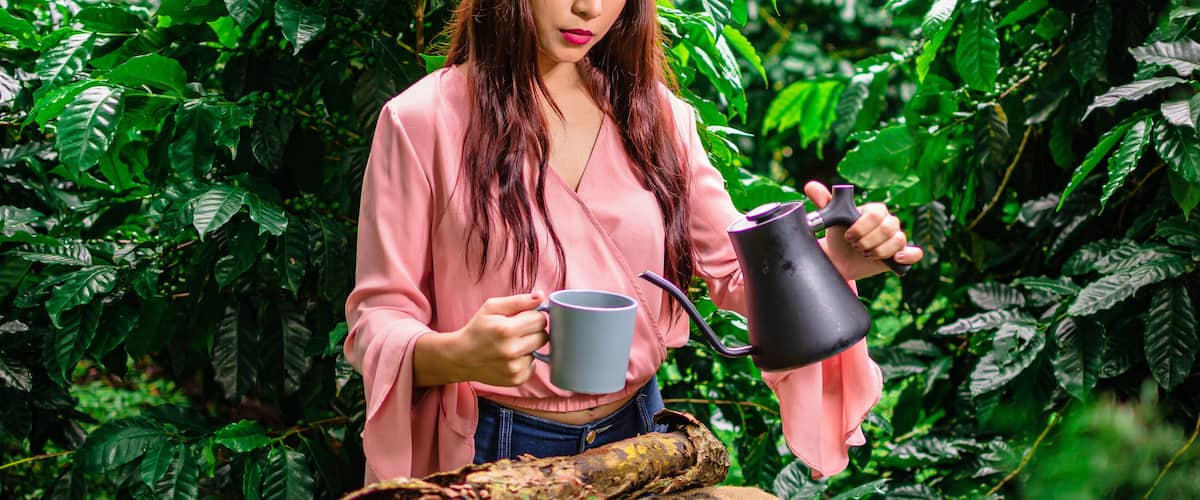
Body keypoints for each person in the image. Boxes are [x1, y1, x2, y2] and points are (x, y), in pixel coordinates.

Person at [342, 0, 924, 486]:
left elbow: (736, 276)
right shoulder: (422, 120)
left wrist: (835, 261)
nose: (589, 9)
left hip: (641, 441)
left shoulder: (658, 119)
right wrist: (455, 354)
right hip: (493, 442)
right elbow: (379, 317)